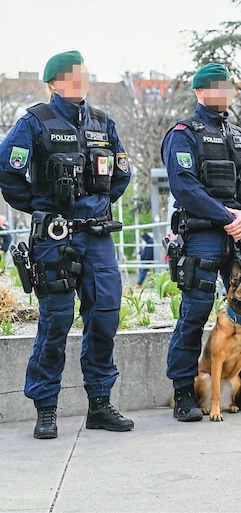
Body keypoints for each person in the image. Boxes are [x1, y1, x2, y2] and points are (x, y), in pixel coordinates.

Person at [0, 51, 134, 439]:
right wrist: (40, 208)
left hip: (97, 237)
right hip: (54, 239)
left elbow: (120, 174)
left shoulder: (102, 122)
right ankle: (46, 408)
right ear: (54, 83)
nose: (80, 81)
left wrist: (98, 207)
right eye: (72, 76)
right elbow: (8, 171)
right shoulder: (35, 121)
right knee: (55, 321)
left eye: (84, 75)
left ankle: (100, 405)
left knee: (105, 318)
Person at [161, 63, 241, 421]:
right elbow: (185, 186)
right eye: (214, 87)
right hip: (203, 235)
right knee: (194, 314)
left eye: (226, 87)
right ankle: (184, 393)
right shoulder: (184, 134)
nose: (222, 92)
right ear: (199, 92)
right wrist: (227, 216)